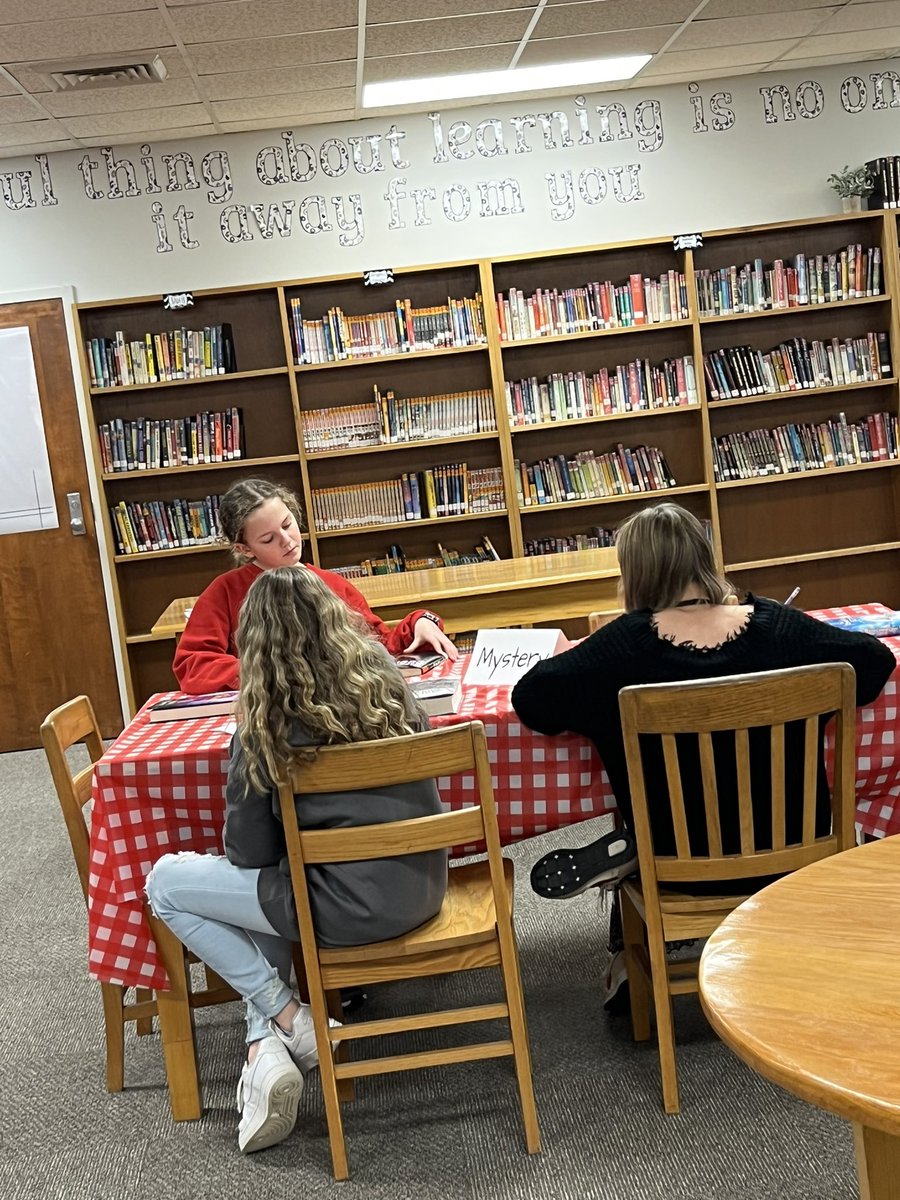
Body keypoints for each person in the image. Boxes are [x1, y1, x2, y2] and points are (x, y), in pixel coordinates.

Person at [511, 502, 895, 1005]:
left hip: (672, 865)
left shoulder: (619, 649)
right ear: (704, 559)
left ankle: (629, 928)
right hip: (799, 860)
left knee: (650, 815)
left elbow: (530, 699)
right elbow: (875, 661)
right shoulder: (778, 628)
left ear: (635, 573)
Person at [147, 566, 449, 1154]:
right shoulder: (388, 687)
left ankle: (287, 1018)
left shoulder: (263, 726)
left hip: (338, 912)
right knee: (261, 892)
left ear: (253, 645)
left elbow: (248, 854)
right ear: (337, 619)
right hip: (423, 887)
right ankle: (263, 1048)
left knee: (166, 885)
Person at [173, 478, 457, 693]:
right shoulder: (224, 592)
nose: (287, 540)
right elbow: (192, 666)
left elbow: (379, 645)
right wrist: (271, 672)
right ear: (245, 549)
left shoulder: (330, 583)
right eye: (268, 539)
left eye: (288, 524)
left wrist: (420, 622)